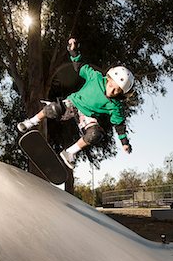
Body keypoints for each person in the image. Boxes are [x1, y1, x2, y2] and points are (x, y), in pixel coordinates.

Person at [17, 38, 135, 169]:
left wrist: (124, 142)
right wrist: (73, 50)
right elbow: (79, 65)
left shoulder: (115, 106)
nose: (112, 91)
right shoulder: (95, 77)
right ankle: (31, 122)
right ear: (108, 79)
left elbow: (119, 124)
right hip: (74, 103)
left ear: (121, 93)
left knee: (95, 134)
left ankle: (69, 153)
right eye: (112, 85)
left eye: (117, 91)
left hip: (86, 116)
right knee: (54, 109)